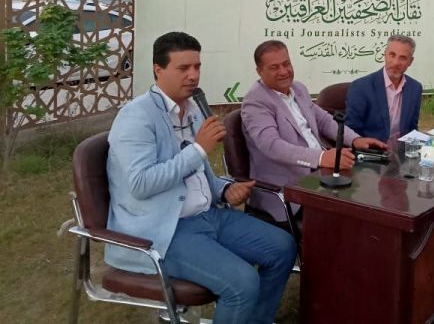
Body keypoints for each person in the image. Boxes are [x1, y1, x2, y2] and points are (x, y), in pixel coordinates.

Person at [106, 32, 296, 324]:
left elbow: (196, 176)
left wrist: (225, 190)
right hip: (164, 231)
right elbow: (141, 184)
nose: (193, 75)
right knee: (242, 283)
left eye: (197, 67)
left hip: (209, 216)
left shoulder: (192, 108)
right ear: (158, 69)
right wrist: (198, 149)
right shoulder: (136, 117)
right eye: (183, 68)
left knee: (283, 247)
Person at [241, 40, 387, 221]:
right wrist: (320, 158)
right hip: (289, 188)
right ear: (259, 71)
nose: (284, 71)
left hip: (321, 173)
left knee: (375, 191)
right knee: (355, 212)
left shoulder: (298, 88)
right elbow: (272, 146)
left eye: (287, 64)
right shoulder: (256, 102)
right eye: (274, 67)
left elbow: (323, 120)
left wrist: (355, 139)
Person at [345, 34, 422, 142]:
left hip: (402, 149)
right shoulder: (361, 87)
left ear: (410, 61)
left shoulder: (415, 88)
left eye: (403, 58)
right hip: (371, 149)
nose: (396, 62)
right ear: (385, 54)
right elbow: (351, 132)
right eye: (392, 55)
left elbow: (412, 129)